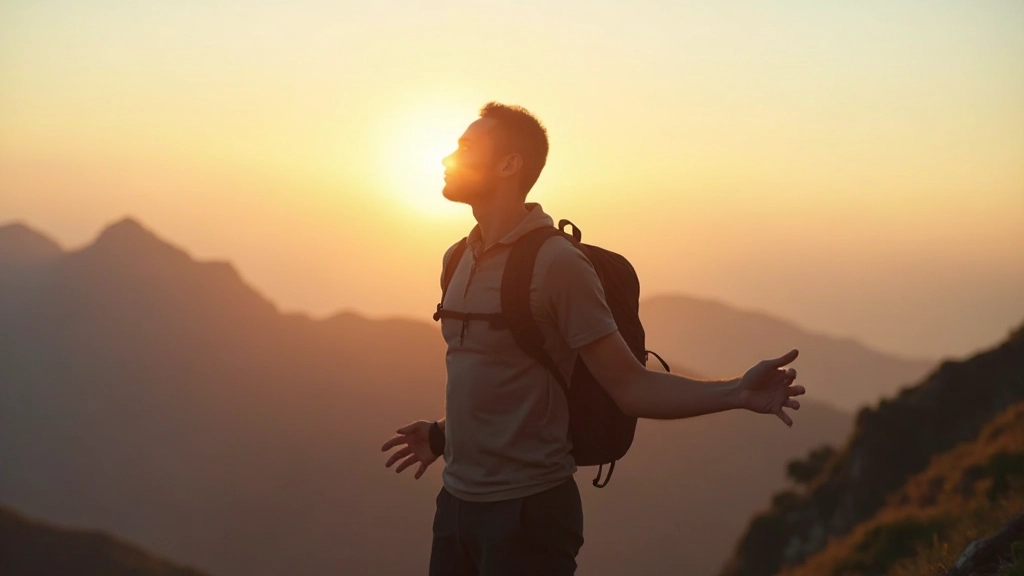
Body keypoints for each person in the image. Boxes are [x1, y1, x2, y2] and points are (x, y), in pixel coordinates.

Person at [380, 102, 804, 576]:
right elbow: (501, 376)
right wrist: (443, 434)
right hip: (455, 505)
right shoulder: (457, 258)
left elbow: (630, 386)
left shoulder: (557, 265)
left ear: (509, 164)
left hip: (529, 514)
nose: (446, 159)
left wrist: (737, 392)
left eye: (463, 149)